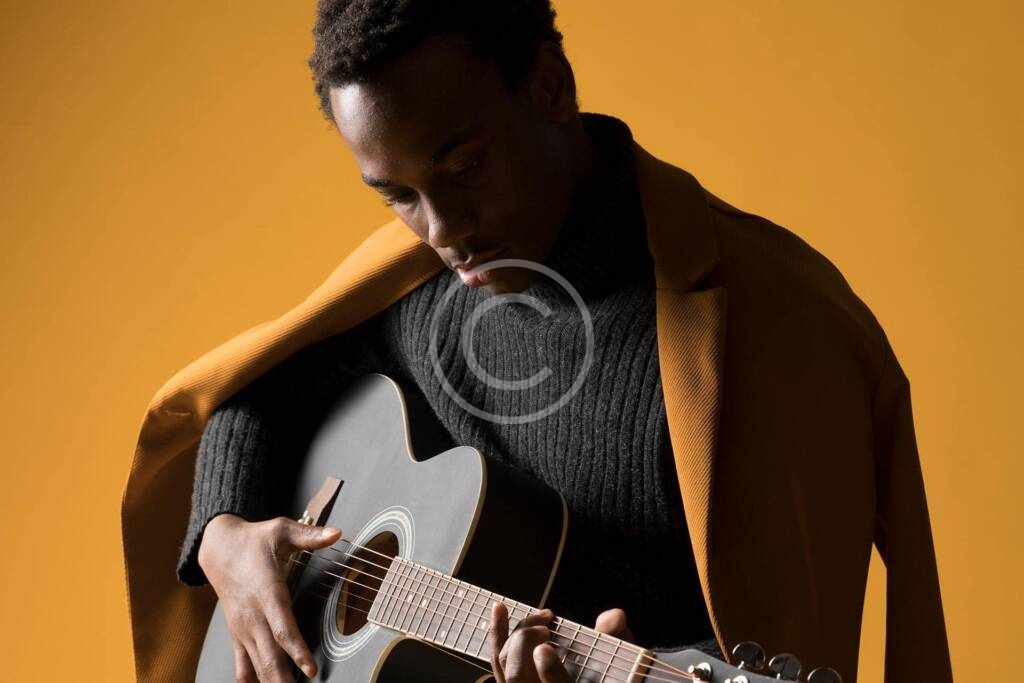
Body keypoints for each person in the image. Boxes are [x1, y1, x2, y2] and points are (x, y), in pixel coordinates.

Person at [120, 2, 952, 682]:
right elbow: (265, 387)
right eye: (397, 196)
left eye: (464, 167)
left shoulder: (771, 329)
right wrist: (224, 533)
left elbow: (778, 626)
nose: (441, 231)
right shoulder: (409, 287)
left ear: (551, 87)